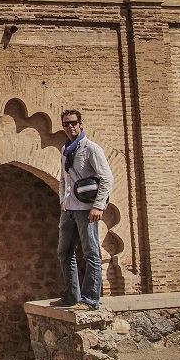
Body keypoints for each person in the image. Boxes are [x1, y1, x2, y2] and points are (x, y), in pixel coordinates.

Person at [57, 108, 113, 310]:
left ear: (80, 124)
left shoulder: (91, 148)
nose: (70, 126)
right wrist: (63, 200)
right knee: (64, 252)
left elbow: (107, 178)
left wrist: (98, 206)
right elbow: (63, 179)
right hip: (69, 209)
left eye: (73, 123)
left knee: (91, 253)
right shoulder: (65, 150)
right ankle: (72, 295)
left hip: (86, 209)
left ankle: (90, 300)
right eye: (66, 124)